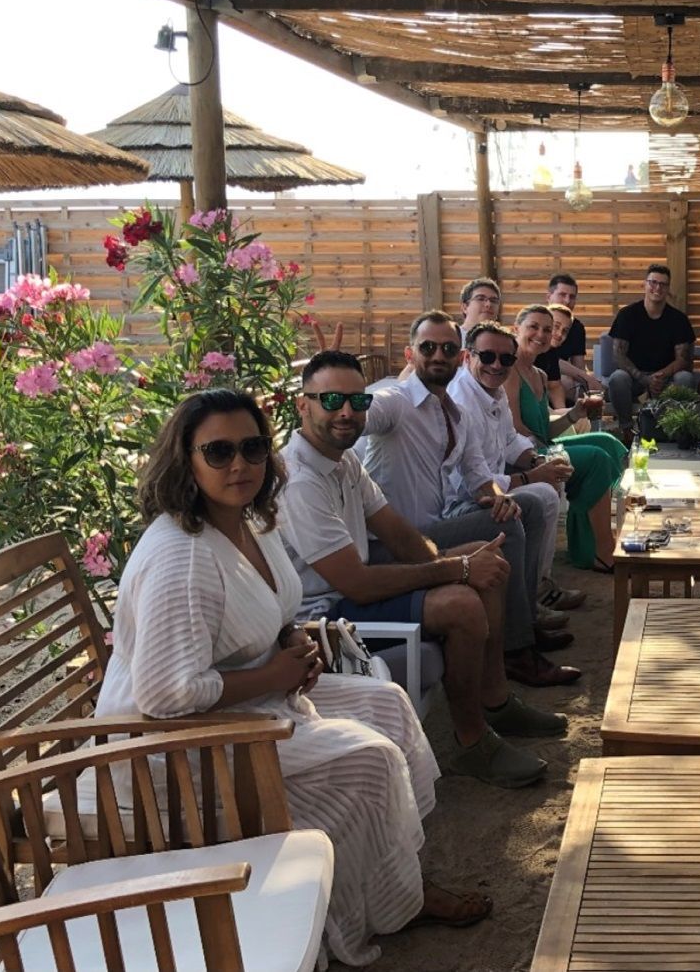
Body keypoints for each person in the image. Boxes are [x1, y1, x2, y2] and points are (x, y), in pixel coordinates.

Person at [94, 389, 492, 967]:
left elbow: (278, 607)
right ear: (186, 459)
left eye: (253, 447)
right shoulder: (181, 558)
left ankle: (391, 886)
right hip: (174, 750)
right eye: (219, 451)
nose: (240, 464)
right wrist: (272, 674)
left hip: (250, 697)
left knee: (386, 705)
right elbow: (165, 695)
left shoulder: (248, 522)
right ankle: (364, 908)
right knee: (370, 761)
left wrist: (290, 640)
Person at [279, 351, 561, 790]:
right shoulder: (298, 480)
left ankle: (496, 699)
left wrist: (459, 562)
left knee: (488, 556)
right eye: (331, 400)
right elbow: (354, 582)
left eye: (358, 401)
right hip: (321, 619)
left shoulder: (343, 461)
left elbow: (400, 535)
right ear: (303, 404)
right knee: (463, 603)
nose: (347, 413)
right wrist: (456, 571)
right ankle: (471, 742)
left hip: (350, 597)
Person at [363, 311, 580, 688]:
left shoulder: (452, 412)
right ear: (409, 354)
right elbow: (364, 412)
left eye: (447, 348)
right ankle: (515, 653)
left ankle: (523, 623)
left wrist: (499, 498)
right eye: (427, 347)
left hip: (433, 527)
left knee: (521, 506)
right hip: (397, 542)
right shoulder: (396, 403)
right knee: (508, 525)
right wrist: (335, 404)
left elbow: (481, 477)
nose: (438, 355)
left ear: (458, 355)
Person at [448, 322, 586, 615]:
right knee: (542, 495)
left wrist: (538, 462)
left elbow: (511, 439)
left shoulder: (494, 392)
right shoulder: (461, 402)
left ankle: (538, 587)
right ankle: (532, 598)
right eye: (487, 357)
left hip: (489, 491)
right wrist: (531, 476)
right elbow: (468, 484)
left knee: (551, 482)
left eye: (506, 359)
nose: (497, 365)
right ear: (466, 357)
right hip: (458, 505)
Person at [507, 304, 628, 571]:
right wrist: (542, 456)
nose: (541, 334)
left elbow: (544, 430)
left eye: (547, 330)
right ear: (516, 329)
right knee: (596, 458)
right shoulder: (510, 372)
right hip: (524, 456)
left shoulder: (538, 374)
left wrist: (575, 414)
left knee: (607, 442)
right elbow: (515, 431)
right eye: (534, 327)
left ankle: (590, 538)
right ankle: (603, 550)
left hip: (542, 445)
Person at [605, 264, 697, 438]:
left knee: (685, 378)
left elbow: (683, 359)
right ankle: (627, 430)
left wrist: (658, 377)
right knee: (617, 378)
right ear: (645, 284)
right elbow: (618, 355)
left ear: (668, 288)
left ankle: (675, 431)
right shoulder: (627, 315)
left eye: (663, 284)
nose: (658, 288)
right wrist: (645, 379)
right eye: (653, 282)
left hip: (666, 379)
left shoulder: (678, 319)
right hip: (635, 378)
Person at [543, 274, 599, 399]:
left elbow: (579, 366)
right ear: (548, 297)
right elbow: (546, 359)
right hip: (536, 372)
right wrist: (584, 376)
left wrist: (588, 380)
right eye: (562, 295)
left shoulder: (577, 327)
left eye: (572, 297)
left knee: (594, 386)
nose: (567, 301)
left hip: (562, 377)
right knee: (566, 382)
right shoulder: (538, 320)